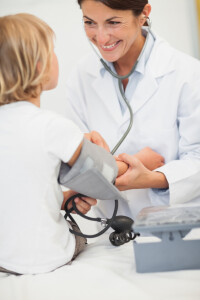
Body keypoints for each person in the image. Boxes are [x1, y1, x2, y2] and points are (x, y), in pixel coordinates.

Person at [0, 13, 130, 275]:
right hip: (46, 257)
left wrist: (64, 197)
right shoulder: (52, 126)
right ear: (39, 67)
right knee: (76, 233)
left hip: (4, 259)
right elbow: (107, 172)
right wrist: (134, 162)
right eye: (53, 51)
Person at [65, 0, 200, 220]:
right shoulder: (81, 76)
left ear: (144, 14)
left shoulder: (188, 74)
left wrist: (151, 178)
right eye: (89, 22)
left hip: (175, 225)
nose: (101, 38)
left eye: (113, 22)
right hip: (110, 234)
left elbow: (197, 158)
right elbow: (76, 159)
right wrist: (134, 163)